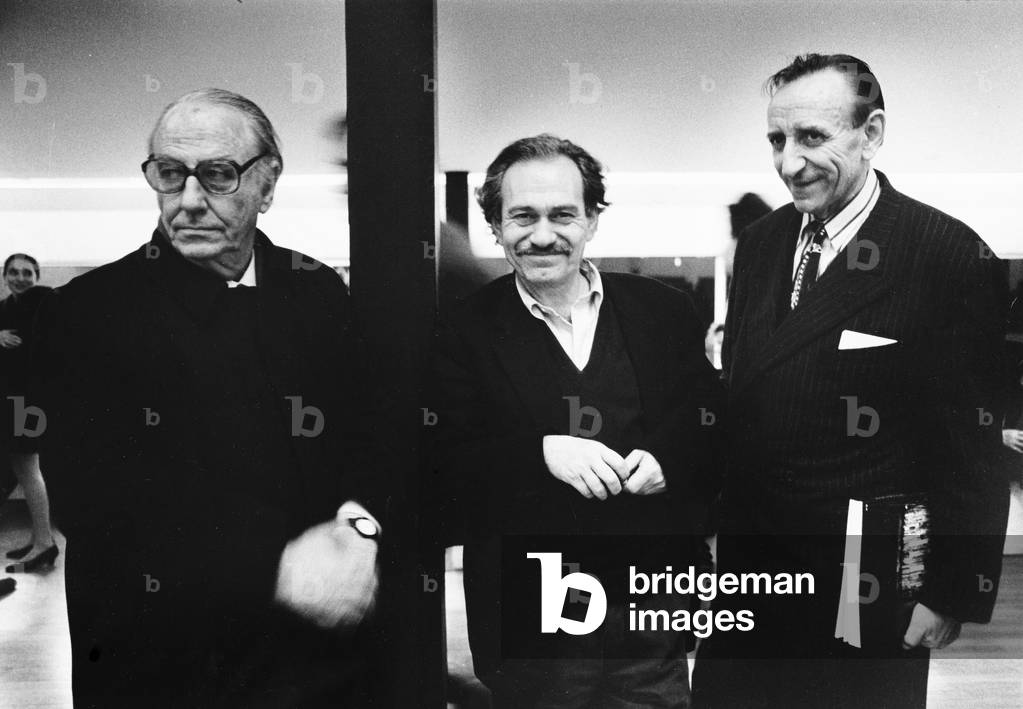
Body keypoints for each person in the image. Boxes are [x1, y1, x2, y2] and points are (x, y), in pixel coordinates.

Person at [30, 89, 389, 707]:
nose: (190, 200)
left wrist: (359, 525)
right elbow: (92, 501)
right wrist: (275, 569)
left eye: (218, 175)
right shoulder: (88, 313)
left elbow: (367, 434)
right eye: (171, 175)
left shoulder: (318, 293)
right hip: (161, 663)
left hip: (309, 663)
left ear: (268, 182)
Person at [692, 54, 1009, 708]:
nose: (787, 162)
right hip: (751, 574)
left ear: (871, 134)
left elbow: (970, 443)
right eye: (776, 140)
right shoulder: (759, 243)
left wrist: (949, 587)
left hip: (866, 577)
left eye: (811, 137)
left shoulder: (945, 253)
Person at [430, 134, 723, 708]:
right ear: (495, 224)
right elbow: (443, 461)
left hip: (650, 611)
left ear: (592, 218)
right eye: (522, 216)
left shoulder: (661, 312)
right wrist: (539, 453)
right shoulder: (463, 330)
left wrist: (671, 459)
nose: (543, 235)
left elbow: (710, 421)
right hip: (529, 626)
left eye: (563, 214)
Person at [0, 253, 57, 573]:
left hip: (30, 403)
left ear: (36, 276)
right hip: (11, 402)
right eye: (13, 272)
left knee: (29, 466)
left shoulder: (42, 302)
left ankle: (45, 543)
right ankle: (39, 537)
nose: (20, 277)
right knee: (23, 468)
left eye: (27, 272)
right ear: (5, 275)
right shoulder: (5, 308)